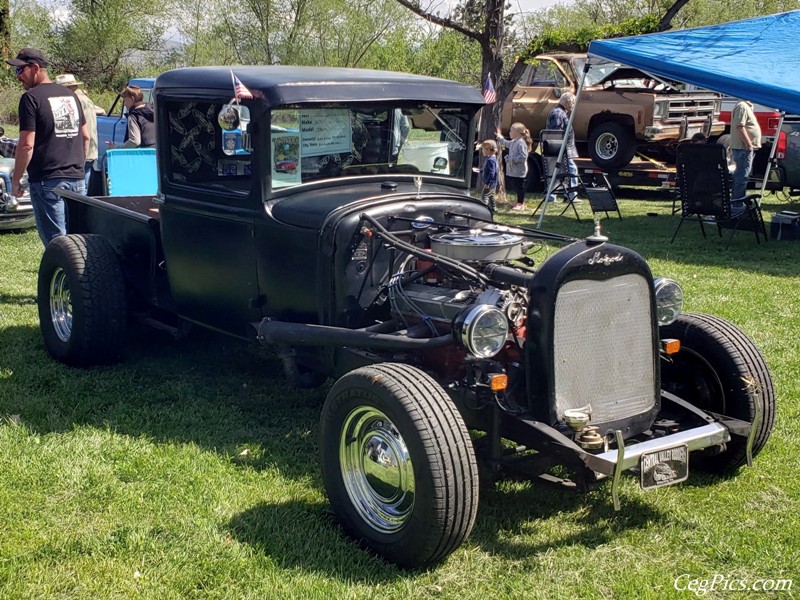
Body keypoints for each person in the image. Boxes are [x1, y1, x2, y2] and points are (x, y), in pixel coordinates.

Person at [7, 48, 88, 246]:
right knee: (77, 244)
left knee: (57, 246)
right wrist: (77, 166)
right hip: (77, 180)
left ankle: (63, 278)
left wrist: (16, 179)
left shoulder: (31, 98)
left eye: (20, 71)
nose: (18, 77)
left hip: (48, 181)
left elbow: (27, 145)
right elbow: (85, 137)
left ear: (35, 68)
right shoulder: (71, 96)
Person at [55, 73, 101, 189]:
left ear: (68, 88)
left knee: (77, 189)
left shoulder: (73, 101)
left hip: (80, 150)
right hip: (91, 148)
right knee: (83, 186)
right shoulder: (86, 99)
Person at [546, 92, 580, 204]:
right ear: (568, 102)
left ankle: (559, 196)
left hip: (563, 149)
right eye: (573, 102)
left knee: (558, 172)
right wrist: (561, 149)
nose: (573, 105)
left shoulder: (560, 112)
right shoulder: (558, 114)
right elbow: (556, 133)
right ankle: (571, 195)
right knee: (570, 170)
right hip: (561, 149)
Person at [730, 99, 761, 201]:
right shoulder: (742, 106)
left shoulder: (746, 106)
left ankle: (736, 202)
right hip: (743, 148)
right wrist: (748, 144)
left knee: (742, 176)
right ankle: (737, 204)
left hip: (744, 148)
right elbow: (739, 126)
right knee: (741, 177)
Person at [496, 122, 532, 211]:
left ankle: (521, 203)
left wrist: (512, 159)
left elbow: (523, 157)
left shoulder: (521, 143)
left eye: (511, 131)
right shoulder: (513, 142)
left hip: (520, 170)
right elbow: (506, 143)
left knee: (520, 187)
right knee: (516, 185)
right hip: (514, 170)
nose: (509, 132)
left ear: (518, 133)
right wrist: (499, 136)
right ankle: (519, 201)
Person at [480, 139, 498, 213]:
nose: (482, 151)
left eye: (483, 149)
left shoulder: (491, 160)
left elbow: (492, 173)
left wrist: (487, 183)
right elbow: (487, 169)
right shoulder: (490, 159)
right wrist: (480, 170)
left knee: (484, 195)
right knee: (491, 195)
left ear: (488, 150)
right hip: (492, 183)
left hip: (490, 183)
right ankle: (493, 208)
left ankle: (484, 210)